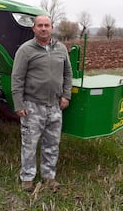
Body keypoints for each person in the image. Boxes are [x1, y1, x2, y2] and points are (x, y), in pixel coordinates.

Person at [11, 15, 72, 192]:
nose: (43, 28)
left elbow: (68, 74)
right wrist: (18, 104)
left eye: (47, 25)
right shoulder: (25, 50)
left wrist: (66, 95)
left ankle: (49, 177)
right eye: (40, 26)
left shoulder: (61, 49)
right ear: (34, 29)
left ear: (52, 28)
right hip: (32, 106)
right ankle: (27, 178)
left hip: (55, 106)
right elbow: (17, 78)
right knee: (29, 144)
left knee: (52, 144)